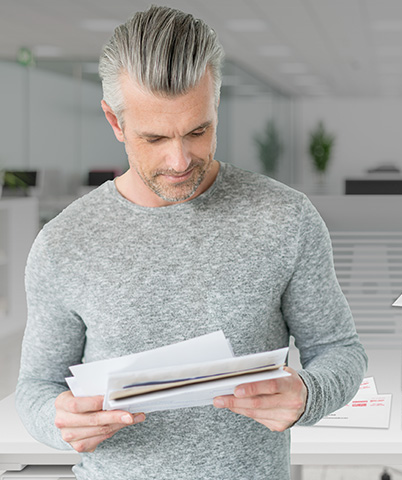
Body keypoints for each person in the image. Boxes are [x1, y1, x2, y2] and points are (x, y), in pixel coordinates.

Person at [15, 6, 367, 479]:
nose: (179, 159)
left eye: (198, 131)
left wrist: (308, 393)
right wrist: (60, 422)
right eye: (155, 137)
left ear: (215, 106)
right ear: (115, 123)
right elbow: (37, 387)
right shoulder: (64, 242)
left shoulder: (284, 218)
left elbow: (340, 350)